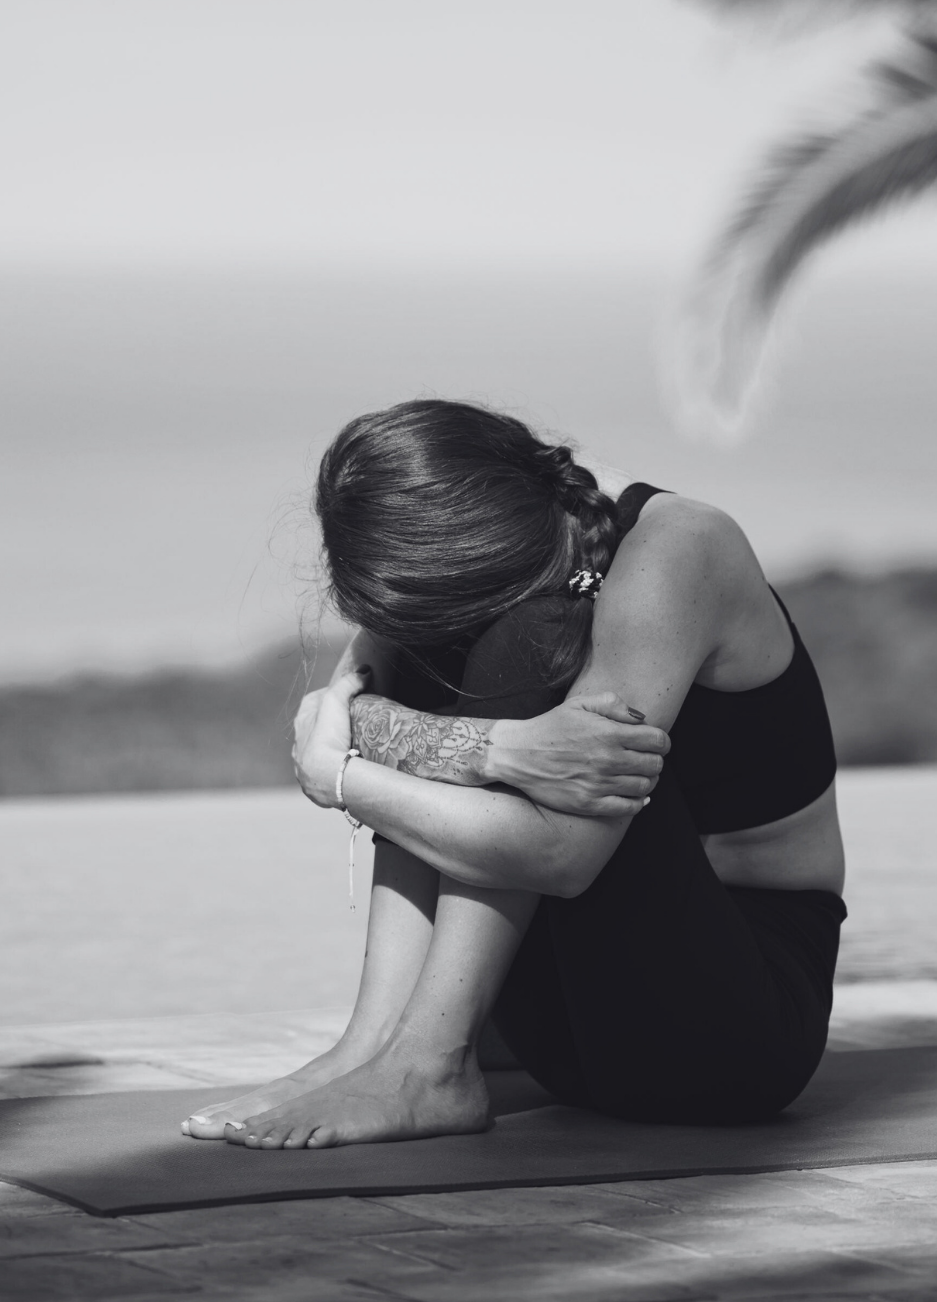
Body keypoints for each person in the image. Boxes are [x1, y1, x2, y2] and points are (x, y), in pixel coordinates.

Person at [182, 399, 845, 1149]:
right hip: (569, 1034)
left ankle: (430, 1065)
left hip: (734, 1031)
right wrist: (499, 748)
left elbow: (560, 856)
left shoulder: (681, 549)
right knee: (425, 644)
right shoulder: (487, 534)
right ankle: (373, 1046)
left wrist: (339, 776)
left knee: (528, 636)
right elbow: (354, 705)